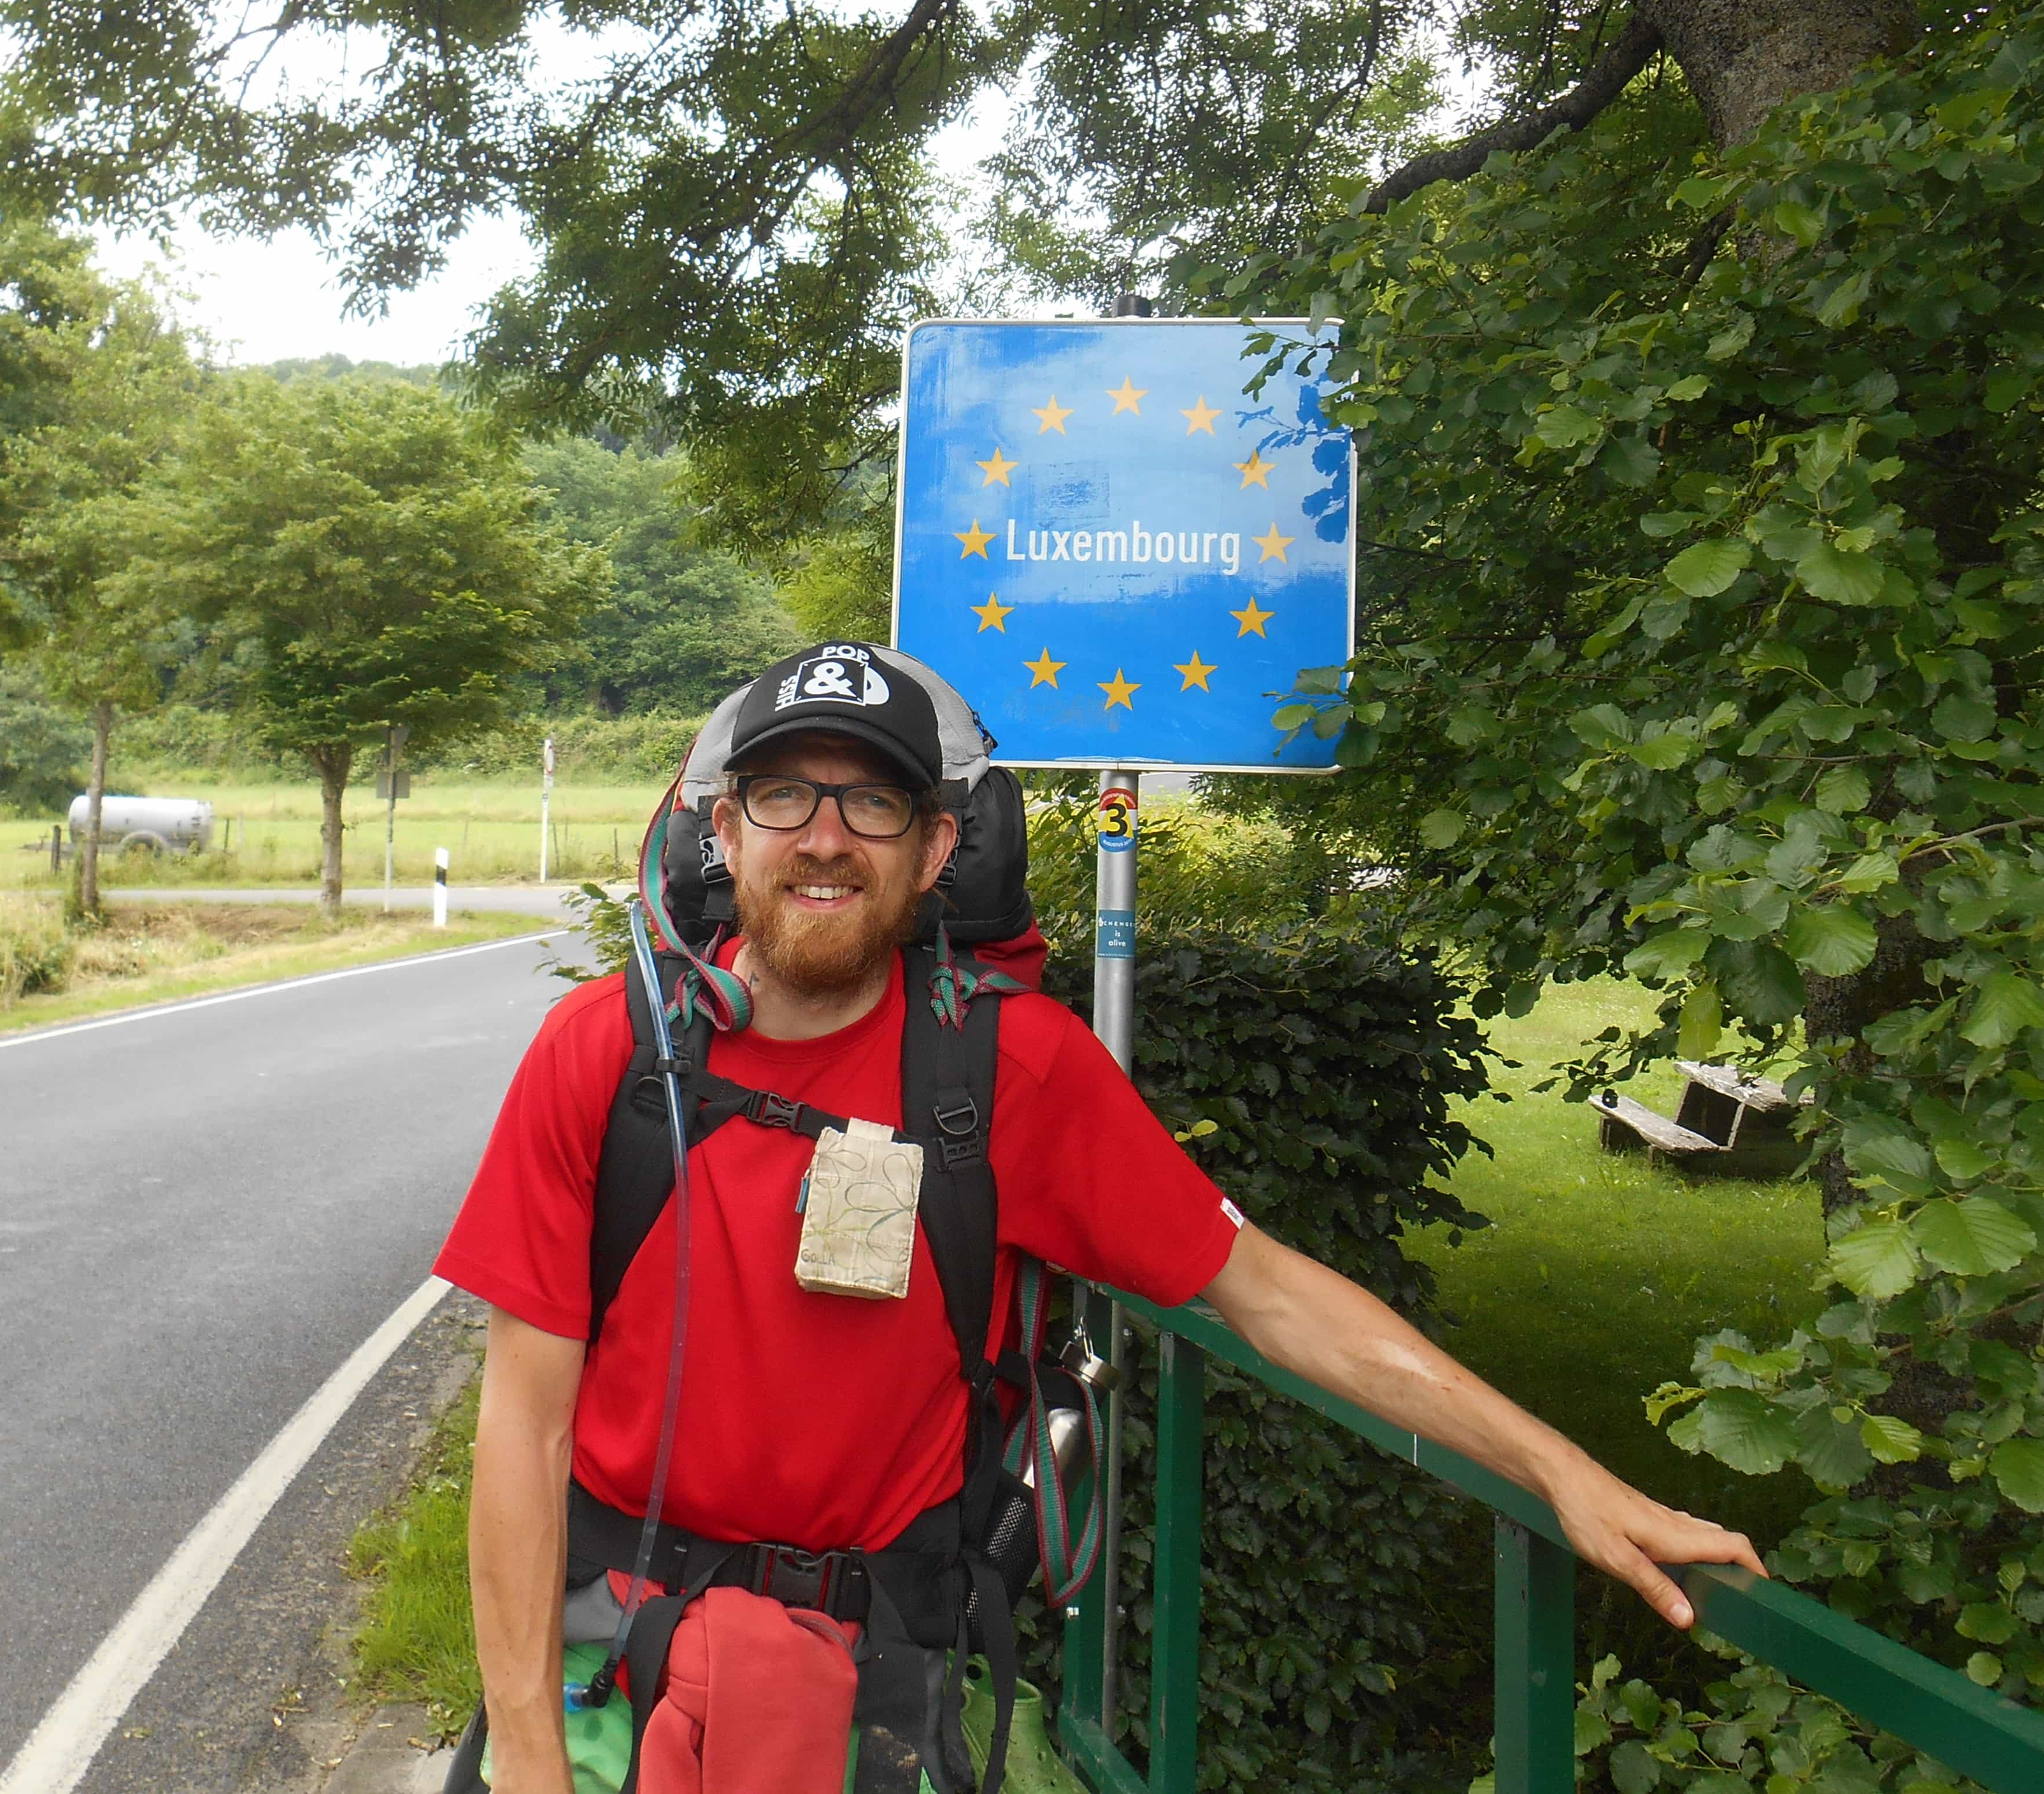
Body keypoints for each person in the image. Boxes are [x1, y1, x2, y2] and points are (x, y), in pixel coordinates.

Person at [436, 642, 1764, 1794]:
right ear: (723, 833)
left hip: (869, 1690)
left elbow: (1266, 1294)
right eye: (784, 794)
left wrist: (1558, 1470)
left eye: (874, 802)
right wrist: (530, 1755)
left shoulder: (1006, 1072)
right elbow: (523, 1420)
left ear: (937, 848)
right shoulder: (606, 1058)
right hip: (607, 1666)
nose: (825, 836)